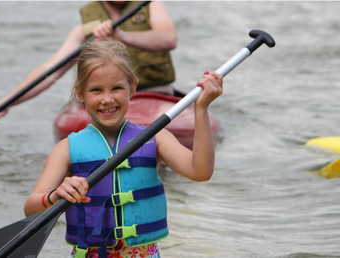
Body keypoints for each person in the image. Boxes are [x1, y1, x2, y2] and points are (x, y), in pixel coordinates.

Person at [23, 38, 223, 258]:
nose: (107, 99)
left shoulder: (156, 138)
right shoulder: (66, 148)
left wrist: (201, 109)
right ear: (80, 93)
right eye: (96, 90)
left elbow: (201, 172)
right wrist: (55, 195)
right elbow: (31, 209)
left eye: (116, 88)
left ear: (132, 87)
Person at [0, 1, 178, 124]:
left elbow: (168, 39)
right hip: (106, 103)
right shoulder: (83, 30)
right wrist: (7, 102)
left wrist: (121, 35)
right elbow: (50, 71)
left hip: (156, 96)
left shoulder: (151, 5)